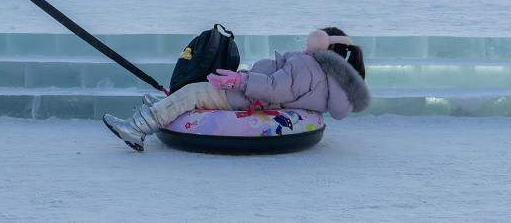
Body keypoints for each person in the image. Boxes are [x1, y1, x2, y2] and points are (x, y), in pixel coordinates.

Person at [102, 26, 370, 152]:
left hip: (247, 97)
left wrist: (238, 82)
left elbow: (276, 88)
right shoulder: (322, 77)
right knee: (197, 89)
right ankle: (163, 107)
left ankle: (137, 128)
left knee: (195, 93)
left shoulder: (307, 67)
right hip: (251, 94)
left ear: (322, 46)